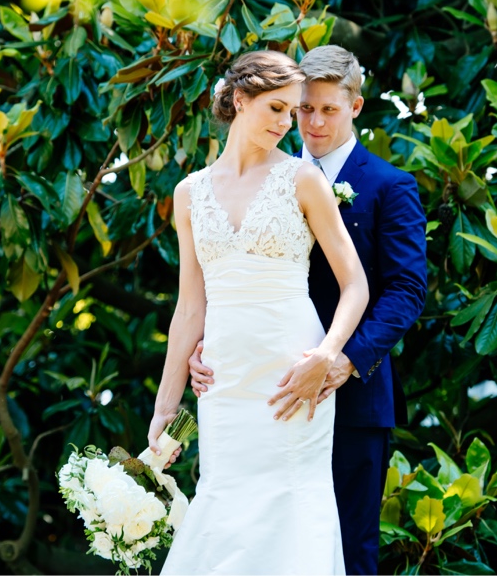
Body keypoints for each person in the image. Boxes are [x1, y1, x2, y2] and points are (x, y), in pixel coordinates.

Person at [184, 44, 429, 574]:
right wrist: (211, 341)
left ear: (355, 107)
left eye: (328, 109)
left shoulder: (390, 186)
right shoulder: (260, 175)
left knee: (345, 546)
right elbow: (223, 277)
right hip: (260, 391)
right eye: (303, 109)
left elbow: (407, 290)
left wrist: (343, 358)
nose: (313, 122)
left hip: (354, 394)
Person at [145, 50, 371, 574]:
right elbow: (189, 307)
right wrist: (164, 409)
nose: (287, 123)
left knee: (293, 506)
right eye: (276, 108)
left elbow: (355, 285)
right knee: (223, 502)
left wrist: (326, 354)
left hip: (293, 372)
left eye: (292, 112)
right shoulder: (189, 194)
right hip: (224, 381)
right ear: (239, 100)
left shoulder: (303, 180)